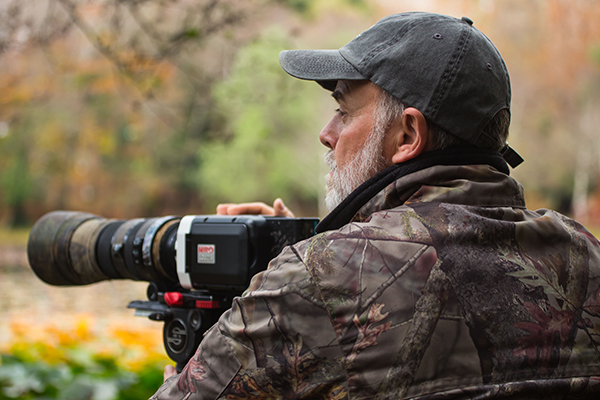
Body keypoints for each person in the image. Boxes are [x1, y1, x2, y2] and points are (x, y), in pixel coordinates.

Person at [152, 12, 600, 399]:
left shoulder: (319, 279)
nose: (327, 133)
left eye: (344, 112)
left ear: (407, 135)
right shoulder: (583, 254)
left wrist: (293, 280)